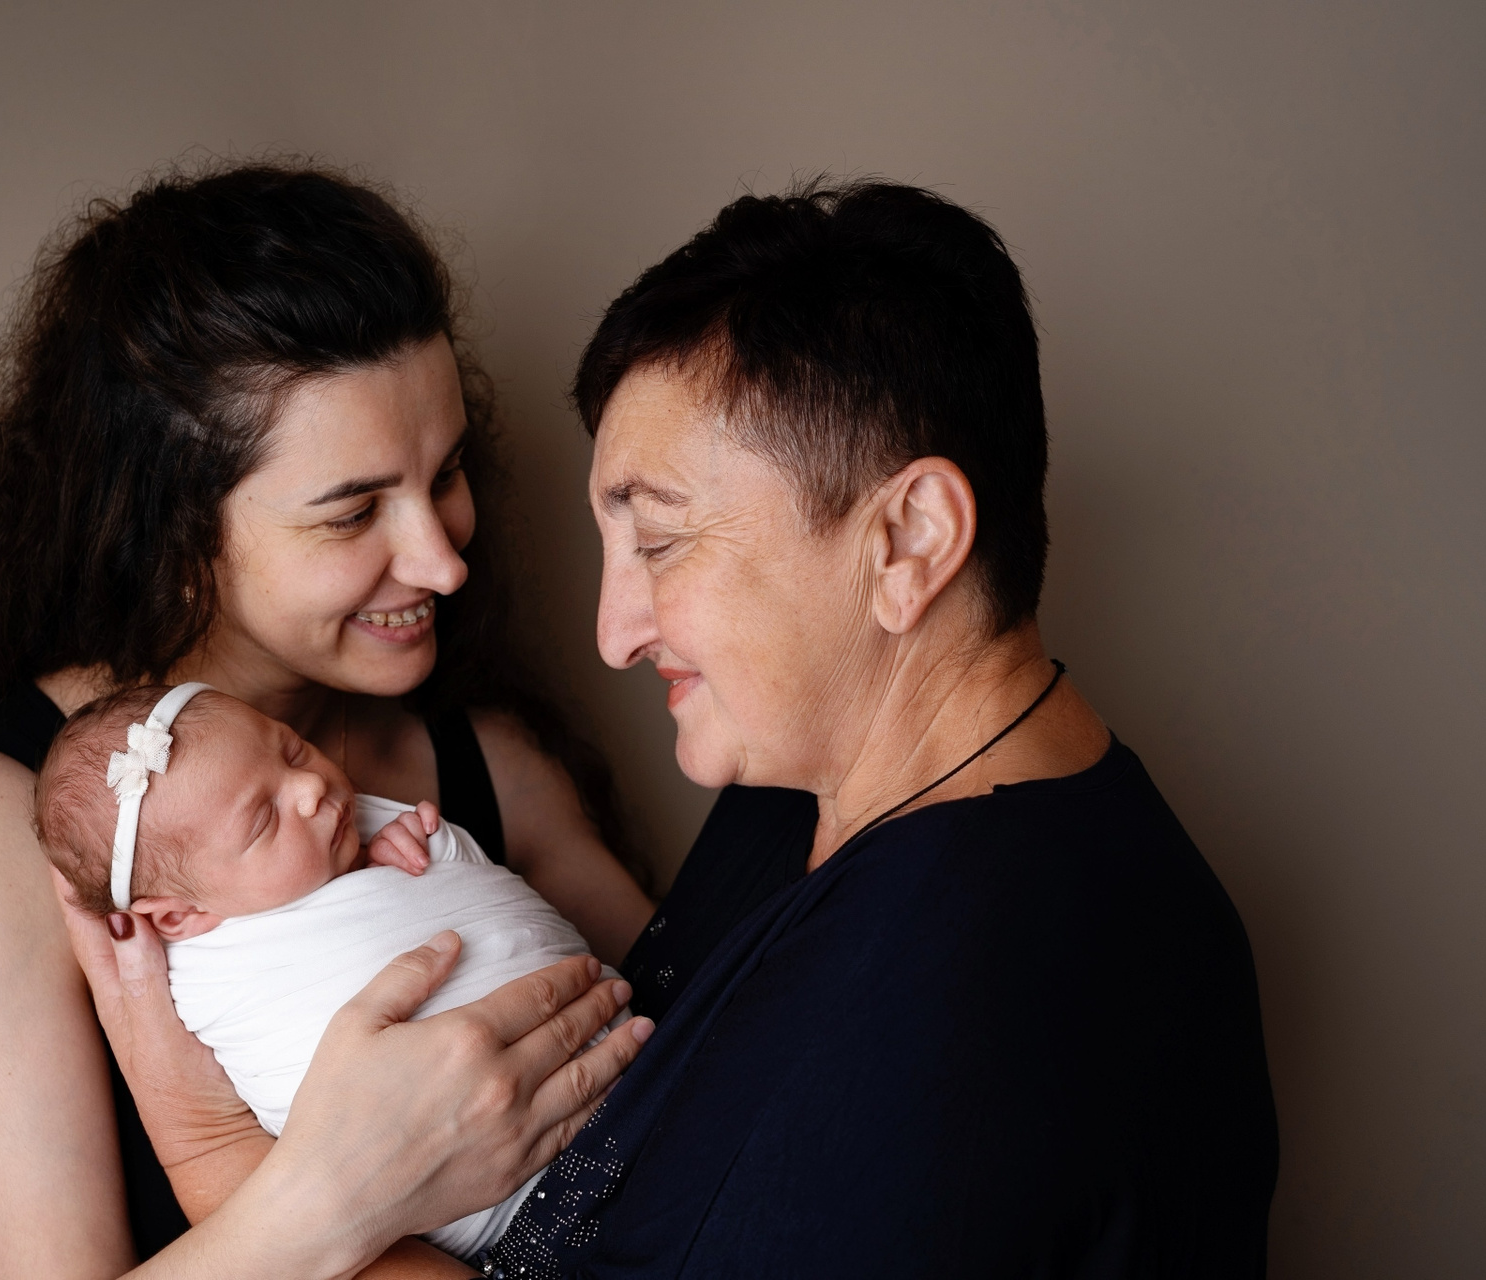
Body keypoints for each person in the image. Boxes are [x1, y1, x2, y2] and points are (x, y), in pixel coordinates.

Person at [75, 179, 1278, 1279]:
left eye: (658, 540)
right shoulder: (801, 791)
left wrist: (212, 1144)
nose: (613, 632)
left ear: (909, 539)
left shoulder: (971, 995)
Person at [0, 162, 654, 1278]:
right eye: (353, 512)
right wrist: (342, 1188)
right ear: (177, 531)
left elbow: (724, 1045)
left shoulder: (487, 761)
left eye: (446, 474)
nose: (442, 559)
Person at [35, 683, 627, 1265]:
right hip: (517, 1208)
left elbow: (465, 881)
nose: (310, 787)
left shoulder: (359, 829)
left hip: (619, 1061)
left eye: (292, 749)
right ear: (177, 915)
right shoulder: (205, 976)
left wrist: (415, 850)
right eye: (262, 821)